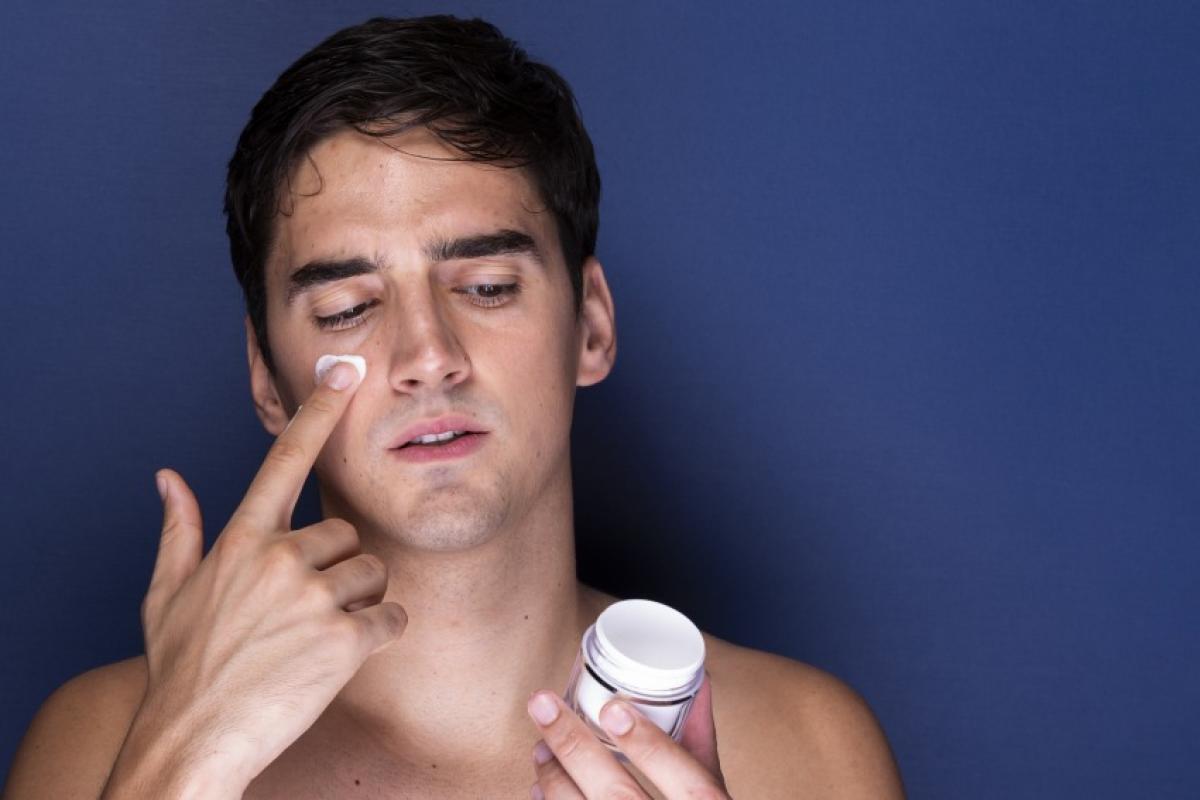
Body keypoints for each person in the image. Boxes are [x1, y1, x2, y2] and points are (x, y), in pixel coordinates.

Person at [3, 15, 904, 799]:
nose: (428, 355)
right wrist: (179, 759)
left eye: (485, 286)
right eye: (347, 308)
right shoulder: (104, 742)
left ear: (591, 326)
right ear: (268, 380)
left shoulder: (804, 749)